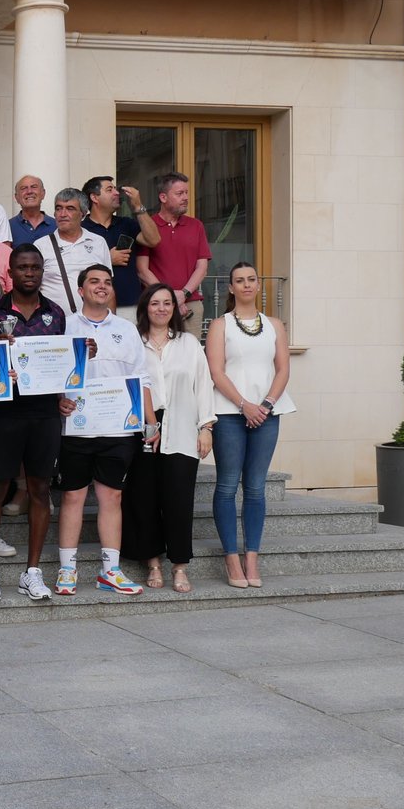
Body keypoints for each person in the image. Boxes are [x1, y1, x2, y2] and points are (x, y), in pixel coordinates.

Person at [53, 265, 153, 597]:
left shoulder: (127, 329)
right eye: (94, 281)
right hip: (76, 430)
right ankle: (68, 570)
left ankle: (110, 571)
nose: (102, 286)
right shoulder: (63, 327)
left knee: (112, 496)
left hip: (118, 429)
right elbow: (50, 375)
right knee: (73, 497)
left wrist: (150, 422)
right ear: (81, 290)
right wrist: (58, 400)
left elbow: (143, 380)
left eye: (107, 282)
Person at [0, 245, 65, 603]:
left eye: (35, 267)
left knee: (40, 489)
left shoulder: (55, 314)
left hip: (44, 413)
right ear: (10, 272)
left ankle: (32, 572)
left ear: (41, 271)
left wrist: (80, 357)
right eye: (22, 267)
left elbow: (62, 363)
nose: (29, 273)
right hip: (3, 412)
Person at [207, 260, 293, 589]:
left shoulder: (274, 324)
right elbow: (217, 371)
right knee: (228, 485)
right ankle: (231, 557)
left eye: (251, 279)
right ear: (230, 288)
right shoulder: (220, 325)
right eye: (239, 280)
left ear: (258, 285)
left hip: (267, 413)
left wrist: (266, 404)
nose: (246, 284)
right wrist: (244, 405)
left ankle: (251, 556)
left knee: (256, 488)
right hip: (230, 412)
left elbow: (283, 369)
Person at [124, 283, 214, 594]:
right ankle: (152, 563)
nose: (161, 308)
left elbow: (202, 385)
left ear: (174, 309)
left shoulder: (189, 343)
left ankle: (179, 566)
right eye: (155, 303)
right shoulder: (134, 343)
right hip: (142, 428)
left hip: (182, 427)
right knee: (144, 498)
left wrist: (206, 427)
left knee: (178, 500)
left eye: (167, 303)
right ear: (144, 308)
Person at [136, 172, 211, 338]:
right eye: (179, 194)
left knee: (190, 356)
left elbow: (202, 266)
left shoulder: (196, 225)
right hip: (156, 305)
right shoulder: (149, 226)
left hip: (190, 305)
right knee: (155, 352)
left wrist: (183, 295)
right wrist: (169, 298)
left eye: (186, 193)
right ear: (163, 197)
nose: (185, 197)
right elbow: (142, 270)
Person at [82, 176, 160, 318]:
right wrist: (107, 259)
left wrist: (138, 206)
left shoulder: (126, 224)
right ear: (94, 197)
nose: (117, 193)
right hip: (94, 306)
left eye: (116, 189)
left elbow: (153, 240)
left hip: (130, 306)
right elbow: (74, 266)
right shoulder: (82, 229)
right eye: (109, 189)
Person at [34, 188, 110, 317]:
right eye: (58, 208)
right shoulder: (41, 245)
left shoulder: (98, 242)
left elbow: (108, 287)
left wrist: (109, 324)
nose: (62, 214)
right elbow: (34, 290)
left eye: (70, 208)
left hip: (93, 324)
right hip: (53, 325)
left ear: (83, 214)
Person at [6, 175, 54, 246]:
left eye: (34, 187)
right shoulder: (7, 227)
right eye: (23, 188)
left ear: (43, 193)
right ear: (16, 197)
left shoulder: (57, 226)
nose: (29, 191)